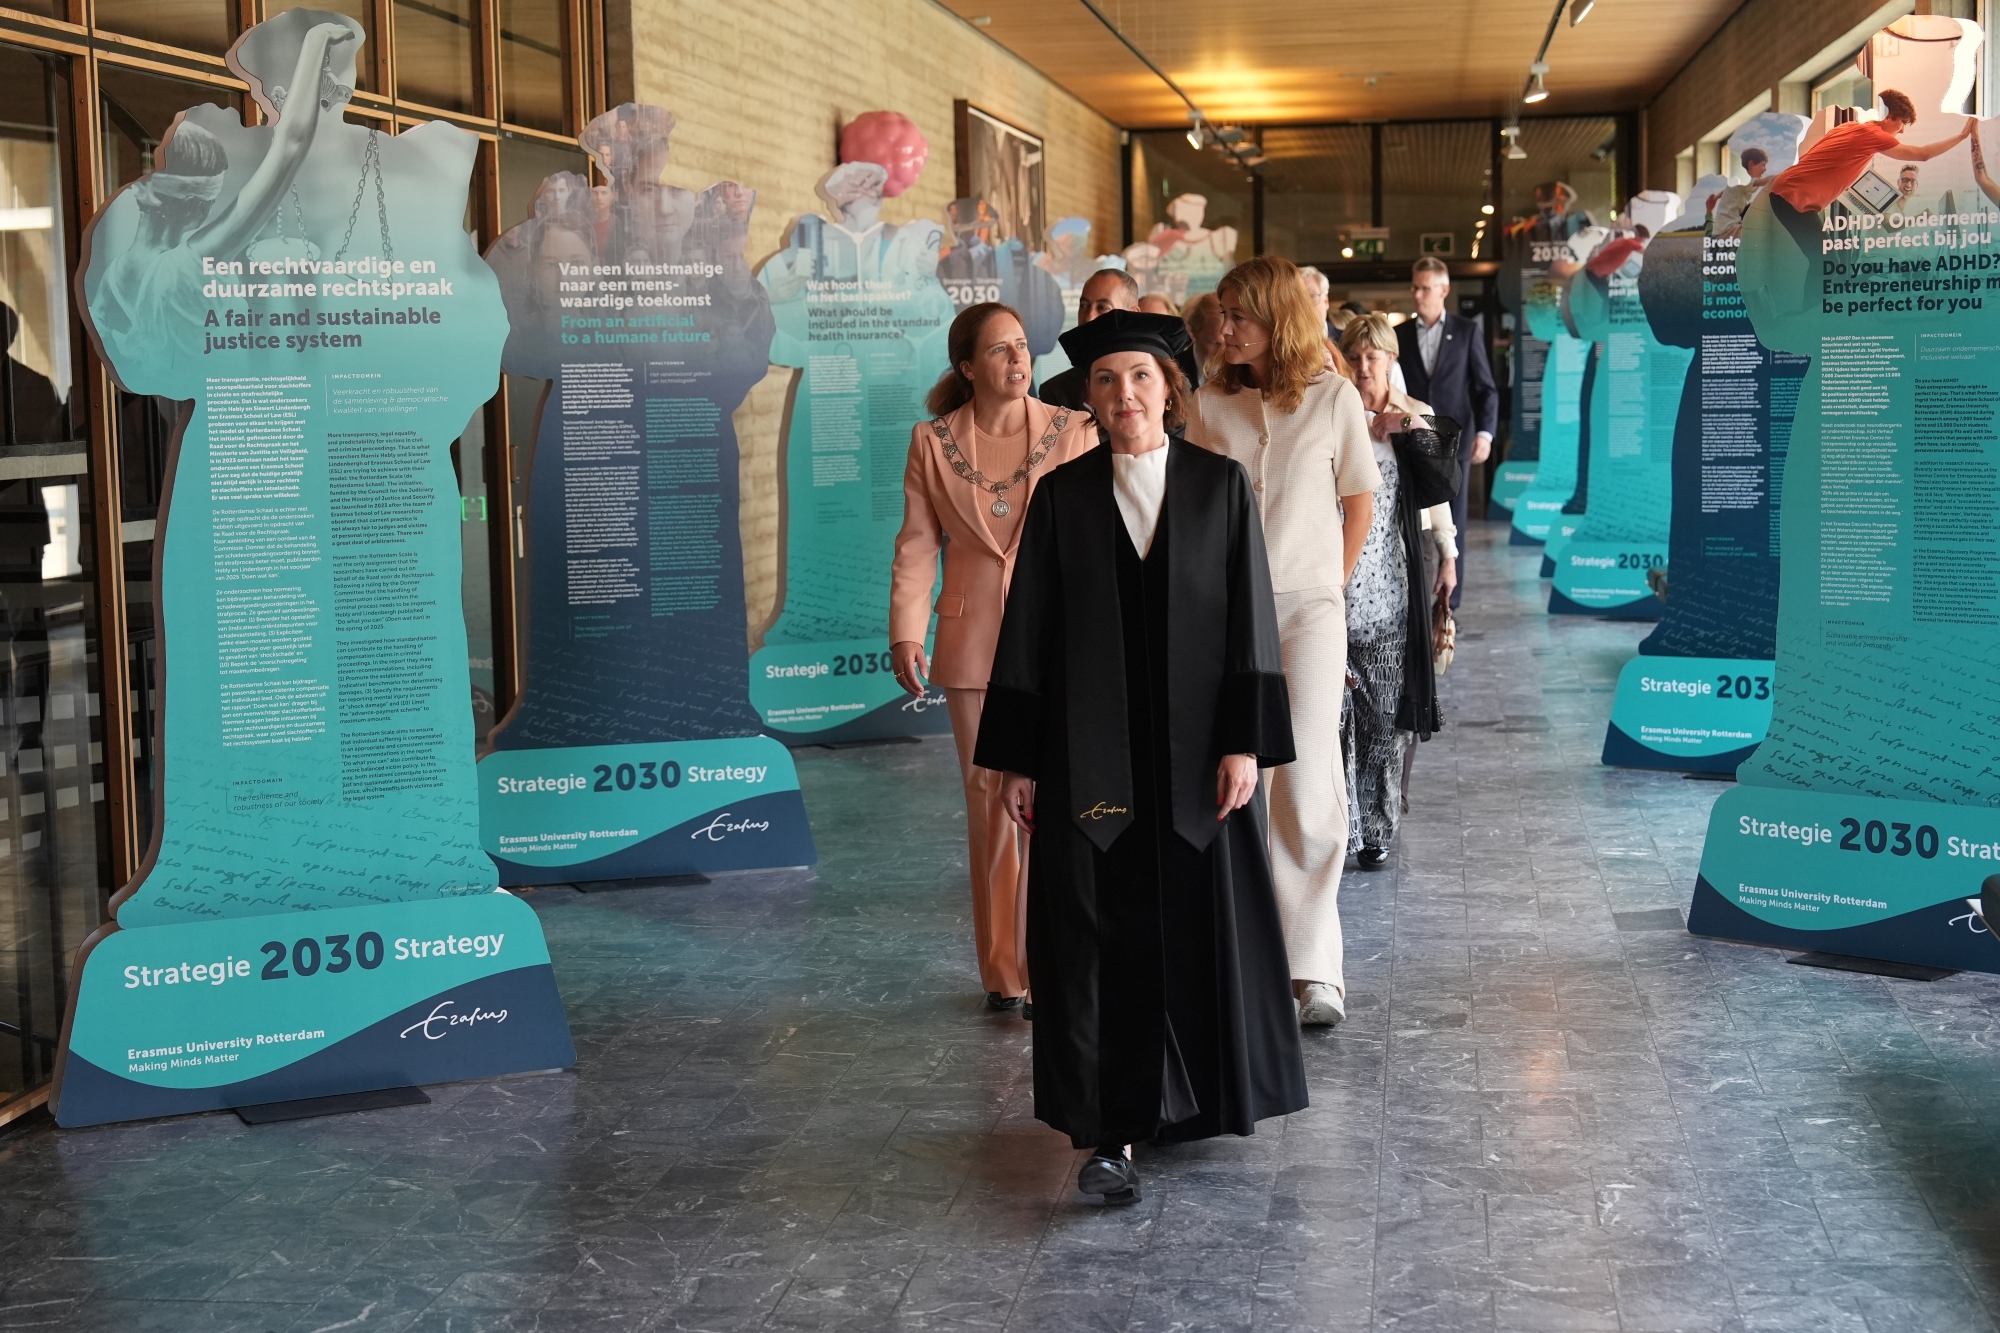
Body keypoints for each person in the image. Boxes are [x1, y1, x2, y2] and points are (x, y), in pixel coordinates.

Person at [974, 309, 1305, 1205]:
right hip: (1092, 759)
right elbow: (1029, 631)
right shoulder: (1063, 497)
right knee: (1098, 939)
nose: (1125, 394)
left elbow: (1250, 616)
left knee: (1197, 927)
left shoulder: (1218, 487)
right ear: (1089, 395)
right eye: (1107, 379)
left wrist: (1245, 741)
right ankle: (1111, 1127)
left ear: (1170, 390)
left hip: (1200, 762)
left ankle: (1194, 1101)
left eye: (1142, 377)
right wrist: (1019, 760)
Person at [1183, 255, 1381, 1030]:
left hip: (1309, 612)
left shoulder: (1334, 398)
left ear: (1277, 318)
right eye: (1222, 314)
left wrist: (1327, 582)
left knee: (1304, 775)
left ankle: (1314, 967)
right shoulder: (1208, 405)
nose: (1224, 328)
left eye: (1239, 315)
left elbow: (1358, 501)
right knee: (1239, 779)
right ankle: (1243, 955)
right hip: (1226, 613)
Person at [891, 302, 1095, 1014]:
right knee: (990, 803)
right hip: (971, 642)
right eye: (1000, 349)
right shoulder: (931, 441)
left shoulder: (1074, 431)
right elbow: (918, 543)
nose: (1018, 359)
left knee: (1054, 801)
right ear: (967, 366)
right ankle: (1006, 970)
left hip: (1059, 641)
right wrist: (906, 630)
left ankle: (1050, 961)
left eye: (1023, 346)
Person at [1339, 314, 1457, 867]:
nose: (1364, 367)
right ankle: (1342, 825)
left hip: (1390, 586)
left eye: (1374, 356)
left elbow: (1440, 490)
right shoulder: (1335, 414)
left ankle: (1377, 830)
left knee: (1385, 719)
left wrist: (1449, 555)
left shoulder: (1414, 416)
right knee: (1338, 717)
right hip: (1335, 586)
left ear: (1391, 359)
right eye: (1355, 357)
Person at [1394, 257, 1496, 610]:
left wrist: (1486, 433)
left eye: (1425, 288)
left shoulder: (1466, 332)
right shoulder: (1400, 335)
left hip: (1455, 443)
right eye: (1414, 287)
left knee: (1455, 525)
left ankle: (1450, 604)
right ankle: (1418, 598)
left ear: (1444, 290)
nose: (1417, 294)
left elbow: (1485, 388)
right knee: (1419, 521)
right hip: (1413, 442)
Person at [1766, 90, 1970, 251]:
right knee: (1824, 261)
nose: (1902, 130)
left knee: (1824, 260)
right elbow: (1923, 154)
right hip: (1792, 196)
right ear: (1889, 117)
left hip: (1787, 191)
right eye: (1902, 123)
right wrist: (1961, 136)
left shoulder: (1850, 127)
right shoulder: (1875, 136)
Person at [1038, 267, 1138, 409]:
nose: (1089, 317)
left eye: (1102, 307)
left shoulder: (1158, 383)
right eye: (1084, 306)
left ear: (1132, 315)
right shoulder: (1057, 393)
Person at [1182, 291, 1223, 382]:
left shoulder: (1246, 374)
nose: (1224, 352)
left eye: (1231, 342)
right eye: (1217, 344)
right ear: (1194, 332)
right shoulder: (1172, 369)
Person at [1300, 265, 1333, 338]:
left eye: (1311, 297)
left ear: (1326, 301)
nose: (1305, 305)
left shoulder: (1345, 340)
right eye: (1298, 300)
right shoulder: (1283, 343)